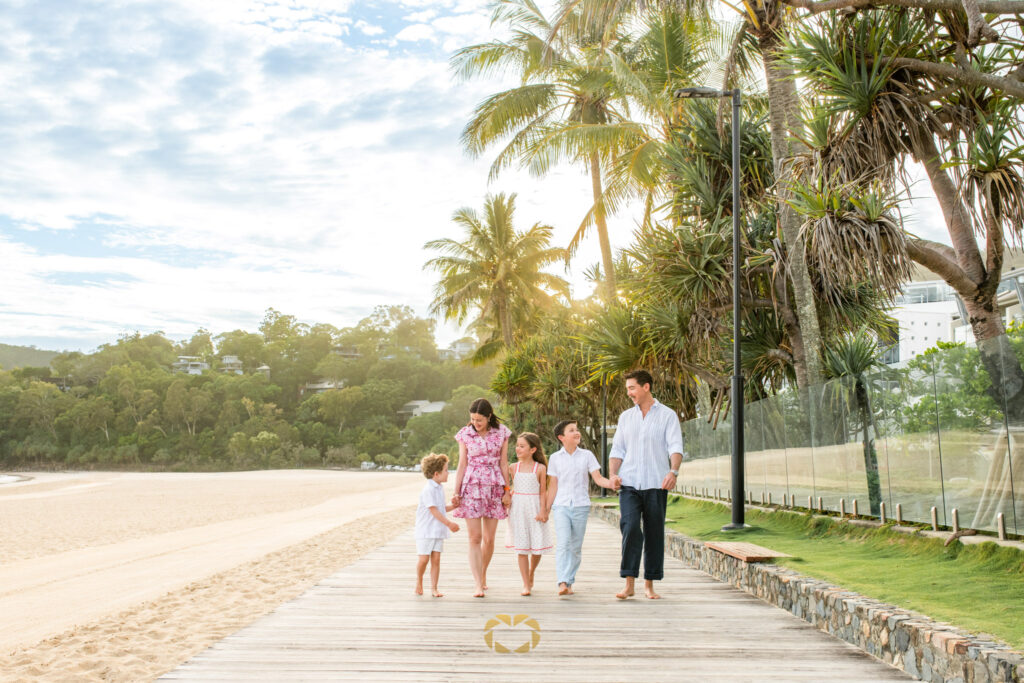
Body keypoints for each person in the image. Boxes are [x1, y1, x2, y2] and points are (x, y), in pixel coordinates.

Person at [609, 369, 683, 600]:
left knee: (654, 533)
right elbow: (618, 449)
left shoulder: (668, 415)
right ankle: (629, 583)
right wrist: (613, 474)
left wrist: (673, 472)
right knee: (630, 528)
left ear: (646, 387)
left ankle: (649, 585)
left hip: (656, 483)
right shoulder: (625, 417)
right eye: (627, 389)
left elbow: (675, 446)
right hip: (629, 483)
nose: (629, 393)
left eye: (632, 388)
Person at [546, 419, 616, 596]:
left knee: (575, 547)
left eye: (577, 429)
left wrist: (612, 484)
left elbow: (598, 478)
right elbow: (553, 485)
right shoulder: (554, 459)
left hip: (580, 506)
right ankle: (562, 581)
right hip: (561, 506)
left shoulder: (587, 455)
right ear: (561, 437)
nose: (577, 433)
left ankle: (569, 581)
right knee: (563, 544)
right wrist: (546, 508)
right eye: (572, 430)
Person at [450, 398, 511, 597]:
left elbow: (504, 463)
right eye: (473, 419)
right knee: (474, 537)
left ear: (489, 416)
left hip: (494, 485)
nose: (475, 424)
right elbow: (462, 464)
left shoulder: (502, 432)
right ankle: (477, 583)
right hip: (472, 486)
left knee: (489, 538)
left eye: (479, 420)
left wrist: (507, 490)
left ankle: (483, 574)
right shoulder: (465, 434)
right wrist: (456, 491)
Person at [504, 432, 552, 596]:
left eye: (522, 446)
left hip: (534, 508)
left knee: (536, 548)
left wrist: (543, 510)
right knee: (522, 548)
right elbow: (510, 488)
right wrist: (507, 496)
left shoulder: (540, 468)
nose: (518, 449)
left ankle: (531, 573)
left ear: (533, 449)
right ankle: (525, 583)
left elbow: (543, 492)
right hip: (518, 509)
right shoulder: (512, 467)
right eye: (517, 445)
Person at [415, 453, 460, 597]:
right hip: (426, 530)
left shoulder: (439, 488)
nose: (448, 473)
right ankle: (419, 580)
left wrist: (453, 506)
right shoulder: (428, 489)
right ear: (436, 473)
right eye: (446, 470)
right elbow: (433, 510)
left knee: (436, 559)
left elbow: (441, 508)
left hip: (437, 530)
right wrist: (449, 523)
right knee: (424, 559)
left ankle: (434, 588)